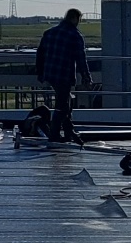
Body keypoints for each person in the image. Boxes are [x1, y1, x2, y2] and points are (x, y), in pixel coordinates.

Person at [33, 8, 91, 143]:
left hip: (50, 73)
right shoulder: (75, 36)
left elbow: (40, 54)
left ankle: (68, 131)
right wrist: (86, 77)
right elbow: (81, 59)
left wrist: (40, 72)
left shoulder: (49, 33)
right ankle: (55, 134)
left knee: (65, 101)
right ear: (75, 19)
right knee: (63, 106)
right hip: (64, 75)